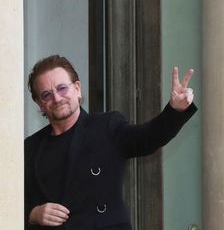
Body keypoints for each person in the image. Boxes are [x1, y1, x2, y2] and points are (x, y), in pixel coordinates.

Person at [24, 55, 197, 230]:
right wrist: (32, 214)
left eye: (62, 88)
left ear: (77, 89)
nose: (57, 98)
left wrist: (175, 110)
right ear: (39, 103)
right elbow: (9, 198)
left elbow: (148, 138)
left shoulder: (106, 126)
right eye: (46, 94)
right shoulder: (30, 147)